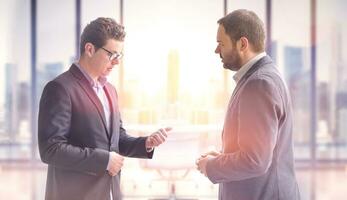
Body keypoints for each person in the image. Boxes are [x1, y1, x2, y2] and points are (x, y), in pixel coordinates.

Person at [38, 17, 171, 200]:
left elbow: (116, 140)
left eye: (119, 56)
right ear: (90, 49)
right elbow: (51, 149)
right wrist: (105, 160)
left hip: (109, 193)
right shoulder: (60, 88)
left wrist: (145, 143)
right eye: (112, 54)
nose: (117, 62)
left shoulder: (110, 90)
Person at [196, 9, 301, 200]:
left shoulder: (259, 83)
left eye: (221, 44)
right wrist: (222, 156)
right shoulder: (262, 77)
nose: (216, 50)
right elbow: (258, 147)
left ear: (242, 44)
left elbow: (255, 160)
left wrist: (211, 166)